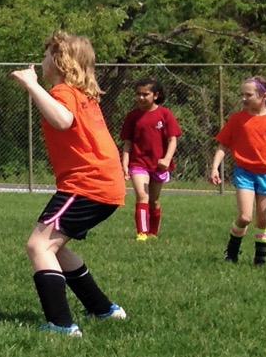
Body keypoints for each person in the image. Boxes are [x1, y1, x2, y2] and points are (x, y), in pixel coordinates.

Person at [12, 31, 127, 336]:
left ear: (60, 61)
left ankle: (61, 324)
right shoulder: (82, 95)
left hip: (87, 184)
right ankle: (103, 309)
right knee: (56, 249)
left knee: (38, 245)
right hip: (104, 185)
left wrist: (32, 85)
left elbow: (62, 121)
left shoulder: (63, 92)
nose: (42, 59)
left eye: (46, 54)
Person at [210, 75, 266, 266]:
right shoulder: (237, 119)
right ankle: (231, 253)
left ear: (265, 96)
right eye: (242, 94)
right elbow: (223, 144)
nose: (244, 98)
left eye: (249, 95)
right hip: (244, 172)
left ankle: (260, 261)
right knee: (245, 217)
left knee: (262, 220)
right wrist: (215, 166)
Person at [119, 79, 182, 240]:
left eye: (145, 94)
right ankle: (142, 234)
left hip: (158, 165)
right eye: (138, 94)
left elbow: (172, 140)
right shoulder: (132, 116)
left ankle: (153, 233)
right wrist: (124, 163)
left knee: (153, 201)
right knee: (142, 196)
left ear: (155, 95)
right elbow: (128, 143)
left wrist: (167, 159)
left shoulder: (165, 114)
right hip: (138, 163)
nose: (141, 98)